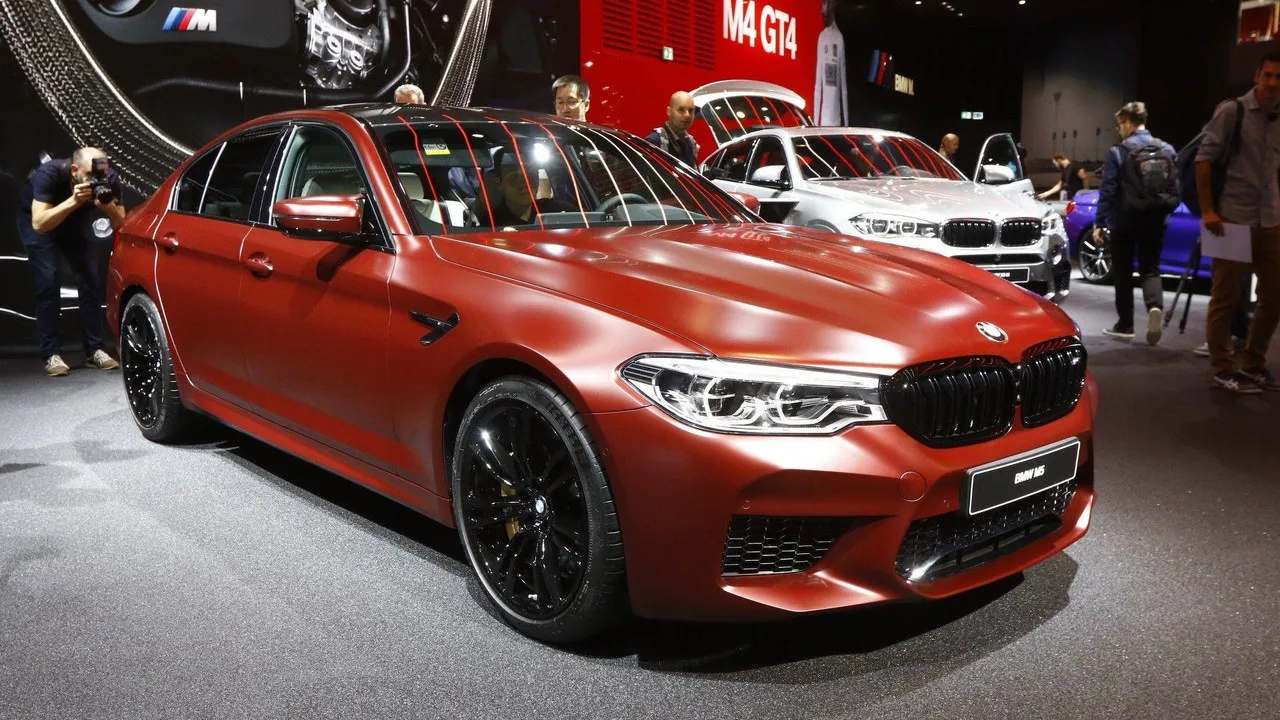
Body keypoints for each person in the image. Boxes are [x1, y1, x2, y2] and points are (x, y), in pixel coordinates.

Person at [1196, 52, 1280, 393]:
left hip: (1270, 219)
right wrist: (1208, 211)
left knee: (1274, 295)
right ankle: (1223, 366)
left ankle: (1253, 362)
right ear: (1257, 77)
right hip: (1230, 217)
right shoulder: (1234, 111)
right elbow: (1204, 161)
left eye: (1279, 77)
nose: (1273, 83)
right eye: (1268, 75)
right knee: (1226, 298)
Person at [17, 148, 124, 376]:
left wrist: (109, 208)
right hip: (39, 221)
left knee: (90, 279)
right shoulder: (49, 174)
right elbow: (39, 223)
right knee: (48, 281)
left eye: (101, 176)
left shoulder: (109, 177)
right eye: (90, 176)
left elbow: (120, 223)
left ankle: (94, 350)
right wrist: (74, 201)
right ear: (75, 171)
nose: (97, 181)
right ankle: (52, 354)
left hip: (74, 222)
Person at [1094, 101, 1179, 345]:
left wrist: (1099, 221)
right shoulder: (1167, 149)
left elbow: (1108, 190)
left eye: (1120, 125)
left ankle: (1125, 325)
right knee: (1150, 269)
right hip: (1157, 218)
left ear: (1128, 122)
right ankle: (1155, 307)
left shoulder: (1118, 152)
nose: (1119, 130)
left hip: (1125, 220)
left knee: (1122, 271)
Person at [813, 0, 848, 127]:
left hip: (836, 120)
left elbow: (843, 87)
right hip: (824, 120)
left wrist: (846, 125)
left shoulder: (839, 38)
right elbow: (818, 85)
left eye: (824, 4)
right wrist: (815, 125)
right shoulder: (822, 37)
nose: (822, 10)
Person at [645, 91, 699, 166]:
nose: (687, 115)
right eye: (681, 110)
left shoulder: (691, 142)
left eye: (691, 110)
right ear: (669, 111)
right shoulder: (654, 141)